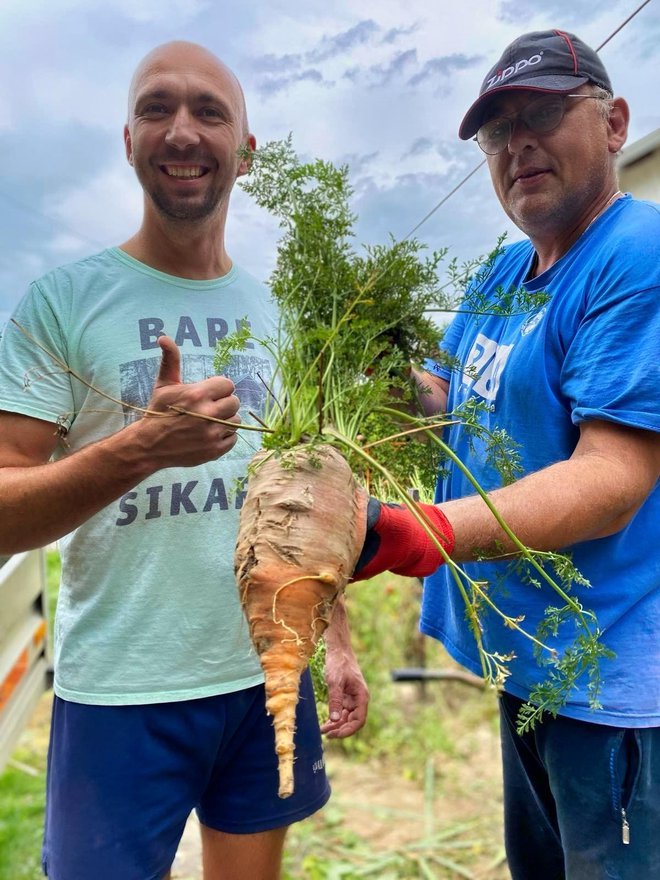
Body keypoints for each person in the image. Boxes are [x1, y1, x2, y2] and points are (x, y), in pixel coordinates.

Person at [0, 41, 368, 880]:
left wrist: (335, 641)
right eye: (157, 108)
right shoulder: (61, 303)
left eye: (210, 110)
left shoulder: (276, 312)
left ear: (246, 148)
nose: (182, 130)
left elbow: (314, 501)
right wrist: (134, 452)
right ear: (126, 138)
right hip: (120, 692)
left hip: (261, 676)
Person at [354, 29, 659, 880]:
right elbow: (456, 399)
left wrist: (424, 530)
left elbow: (613, 478)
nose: (518, 141)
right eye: (498, 130)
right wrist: (377, 368)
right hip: (531, 664)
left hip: (612, 687)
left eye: (545, 112)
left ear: (612, 122)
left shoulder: (636, 256)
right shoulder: (502, 274)